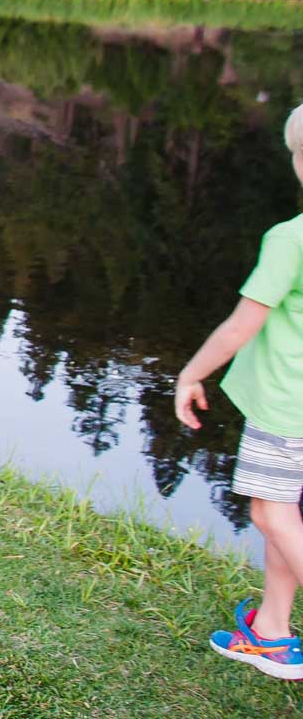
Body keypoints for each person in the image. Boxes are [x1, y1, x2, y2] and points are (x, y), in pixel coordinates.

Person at [178, 102, 303, 680]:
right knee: (289, 517)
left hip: (285, 408)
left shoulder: (290, 239)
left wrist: (191, 373)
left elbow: (240, 325)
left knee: (270, 514)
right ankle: (272, 632)